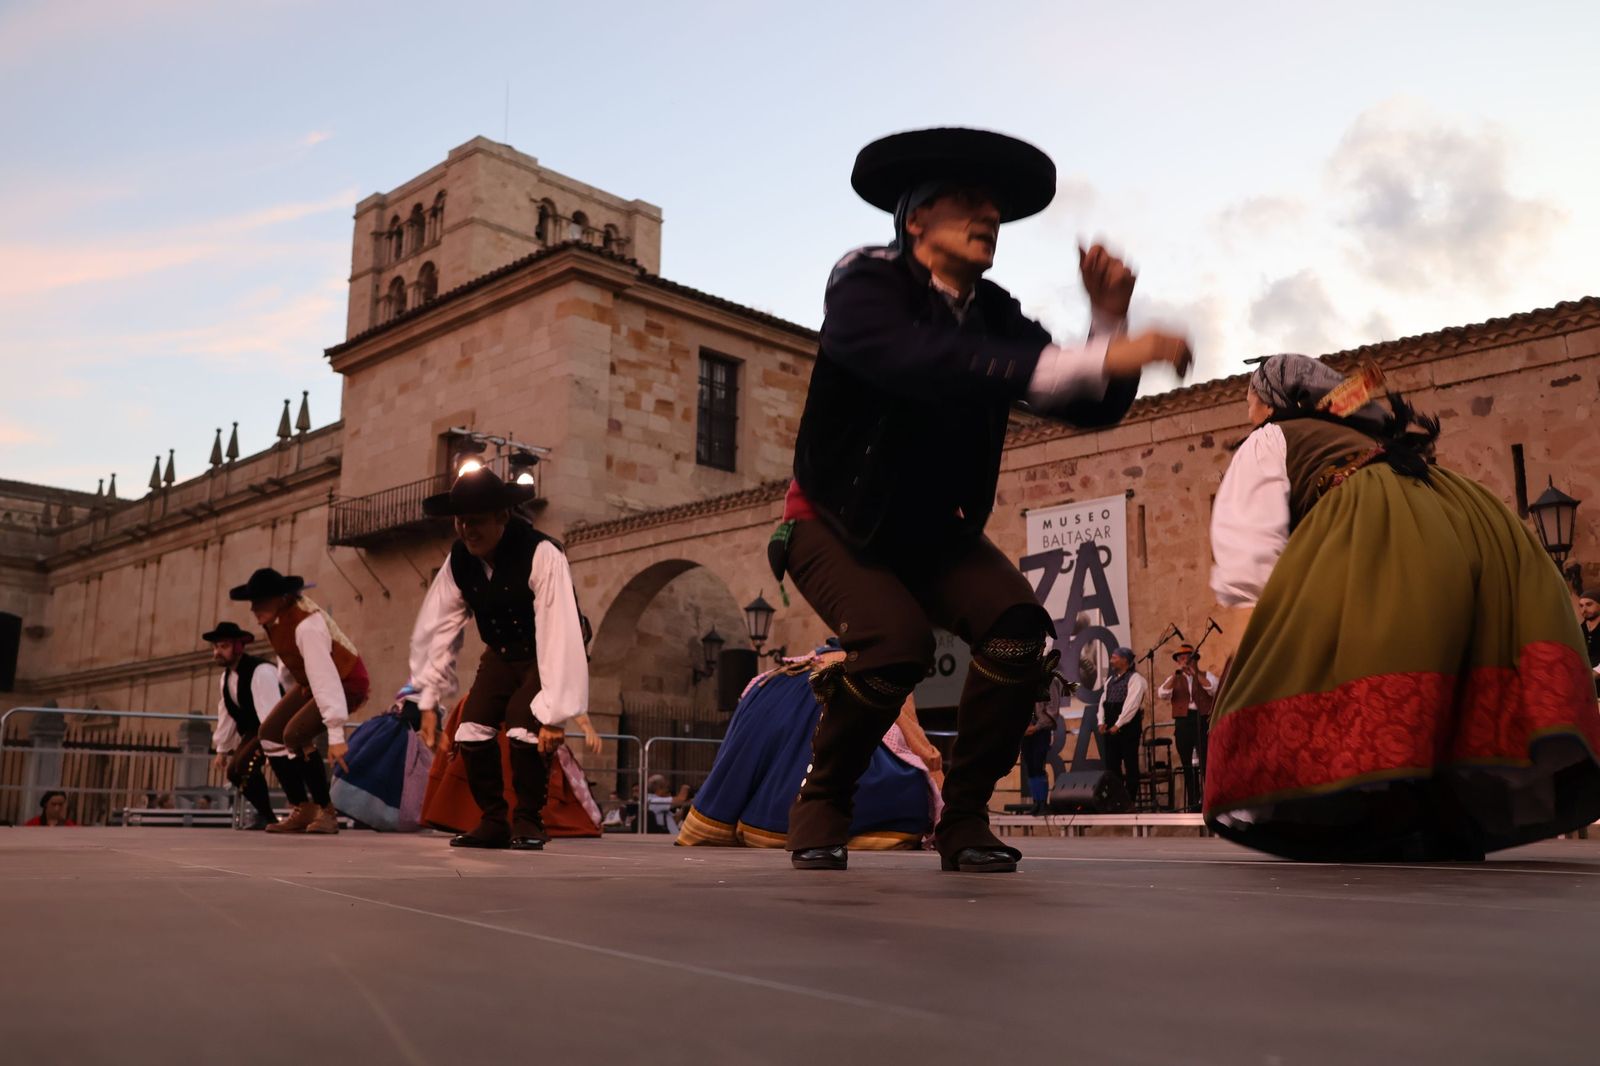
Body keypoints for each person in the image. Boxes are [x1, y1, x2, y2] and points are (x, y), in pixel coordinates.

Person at [772, 127, 1190, 874]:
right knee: (894, 642)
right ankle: (824, 798)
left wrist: (1108, 326)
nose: (988, 214)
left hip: (935, 531)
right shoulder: (864, 281)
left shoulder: (997, 314)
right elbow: (909, 359)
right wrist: (1085, 356)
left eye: (993, 206)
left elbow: (1082, 401)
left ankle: (964, 818)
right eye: (966, 201)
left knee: (1018, 630)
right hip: (836, 521)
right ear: (915, 221)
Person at [1206, 353, 1600, 861]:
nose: (1248, 413)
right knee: (1438, 670)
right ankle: (1439, 812)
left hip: (1379, 530)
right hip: (1469, 521)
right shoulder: (1374, 445)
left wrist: (1244, 631)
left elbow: (1249, 541)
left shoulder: (1270, 439)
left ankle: (1388, 813)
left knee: (1362, 664)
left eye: (1250, 401)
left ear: (1269, 402)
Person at [408, 467, 589, 850]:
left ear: (502, 518)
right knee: (470, 729)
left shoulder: (542, 553)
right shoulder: (459, 560)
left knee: (525, 726)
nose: (466, 530)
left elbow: (560, 633)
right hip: (502, 654)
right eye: (460, 521)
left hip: (547, 648)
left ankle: (527, 820)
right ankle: (493, 820)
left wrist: (555, 714)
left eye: (475, 522)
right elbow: (439, 628)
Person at [677, 645, 944, 849]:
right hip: (851, 807)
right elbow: (914, 738)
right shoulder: (876, 670)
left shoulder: (774, 680)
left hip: (764, 817)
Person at [230, 568, 371, 835]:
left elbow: (326, 677)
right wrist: (294, 698)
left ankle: (327, 812)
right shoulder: (278, 622)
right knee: (269, 731)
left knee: (293, 734)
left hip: (346, 680)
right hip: (312, 680)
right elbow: (289, 666)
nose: (254, 609)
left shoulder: (307, 625)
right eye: (253, 602)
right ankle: (303, 807)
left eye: (261, 601)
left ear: (282, 599)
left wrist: (336, 733)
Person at [203, 620, 283, 830]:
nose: (217, 652)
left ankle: (270, 816)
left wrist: (270, 745)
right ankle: (266, 815)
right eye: (216, 647)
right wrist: (221, 748)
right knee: (234, 772)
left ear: (238, 647)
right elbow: (227, 712)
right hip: (252, 731)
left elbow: (273, 713)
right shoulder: (226, 678)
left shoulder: (261, 671)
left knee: (243, 765)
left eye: (224, 646)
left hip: (271, 728)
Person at [1157, 643, 1217, 812]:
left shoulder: (1206, 675)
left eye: (1187, 659)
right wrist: (1175, 677)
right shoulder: (1174, 678)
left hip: (1202, 719)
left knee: (1206, 762)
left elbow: (1213, 689)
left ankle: (1208, 800)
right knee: (1187, 764)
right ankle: (1193, 802)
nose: (1184, 662)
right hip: (1183, 722)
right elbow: (1162, 694)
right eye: (1181, 659)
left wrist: (1195, 675)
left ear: (1195, 660)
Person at [1100, 647, 1147, 804]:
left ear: (1125, 660)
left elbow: (1131, 705)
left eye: (1115, 657)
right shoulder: (1110, 681)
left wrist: (1118, 724)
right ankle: (1117, 799)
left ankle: (1130, 800)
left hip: (1128, 727)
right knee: (1112, 765)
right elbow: (1103, 702)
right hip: (1112, 724)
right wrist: (1101, 721)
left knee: (1130, 763)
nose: (1112, 659)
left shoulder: (1135, 679)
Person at [1577, 590, 1600, 697]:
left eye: (1589, 604)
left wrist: (1595, 673)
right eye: (1581, 606)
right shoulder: (1579, 629)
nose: (1584, 609)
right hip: (1583, 683)